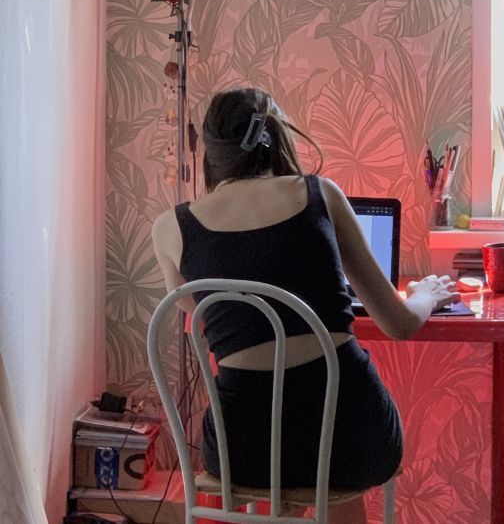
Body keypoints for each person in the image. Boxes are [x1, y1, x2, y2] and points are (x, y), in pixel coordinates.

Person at [152, 87, 459, 524]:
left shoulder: (171, 227)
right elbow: (398, 324)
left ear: (209, 152)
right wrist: (426, 294)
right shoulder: (320, 195)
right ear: (278, 138)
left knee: (289, 441)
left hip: (243, 450)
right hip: (351, 440)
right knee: (334, 439)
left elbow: (188, 304)